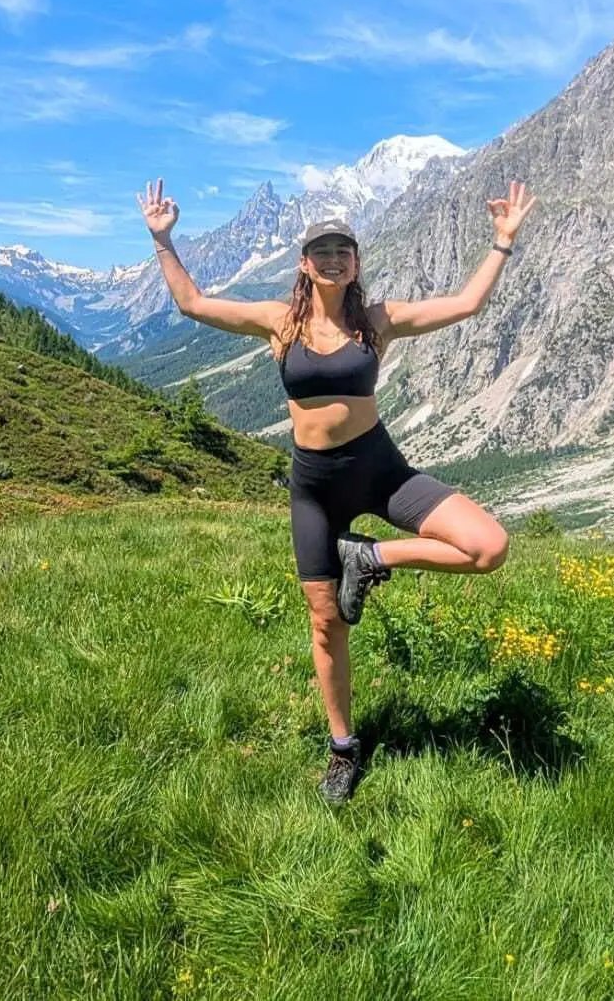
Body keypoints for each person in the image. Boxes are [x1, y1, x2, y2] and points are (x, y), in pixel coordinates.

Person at [136, 175, 538, 804]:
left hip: (382, 473)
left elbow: (465, 304)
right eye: (320, 251)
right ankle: (343, 748)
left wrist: (503, 242)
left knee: (488, 545)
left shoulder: (378, 323)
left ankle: (370, 556)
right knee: (327, 624)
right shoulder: (279, 323)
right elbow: (193, 304)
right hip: (315, 490)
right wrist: (163, 240)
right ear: (305, 263)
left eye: (342, 252)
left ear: (354, 264)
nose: (331, 259)